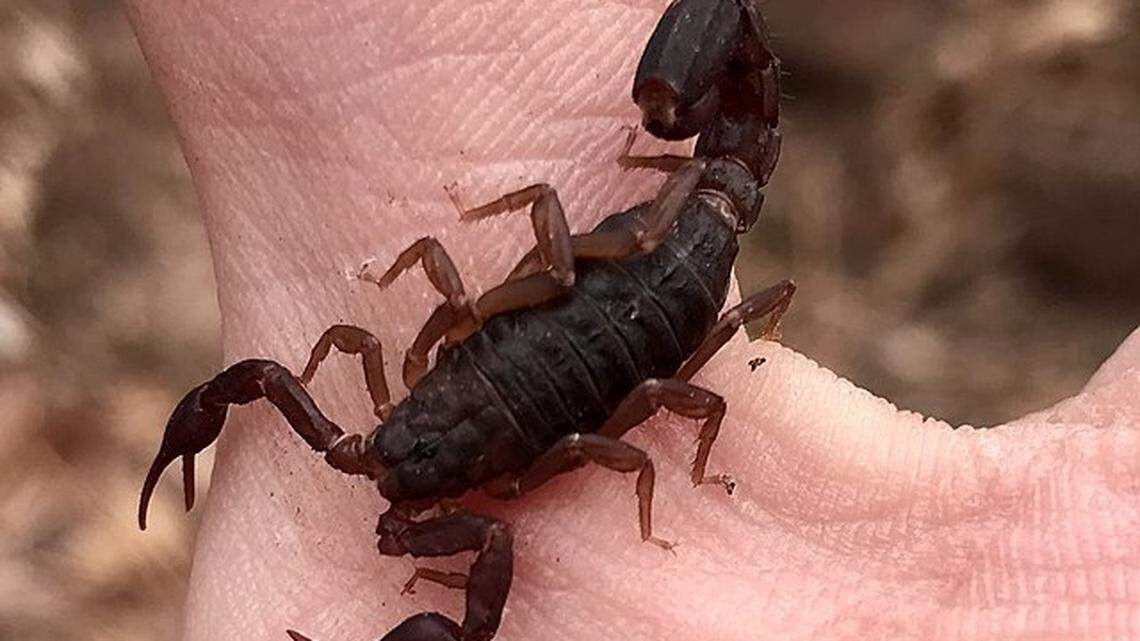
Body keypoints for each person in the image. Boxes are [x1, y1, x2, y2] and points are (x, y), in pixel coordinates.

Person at [124, 1, 1140, 639]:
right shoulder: (468, 457)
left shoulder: (479, 471)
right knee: (614, 376)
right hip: (628, 294)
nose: (386, 462)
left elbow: (526, 514)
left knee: (652, 397)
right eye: (398, 454)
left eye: (390, 452)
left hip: (653, 275)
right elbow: (290, 378)